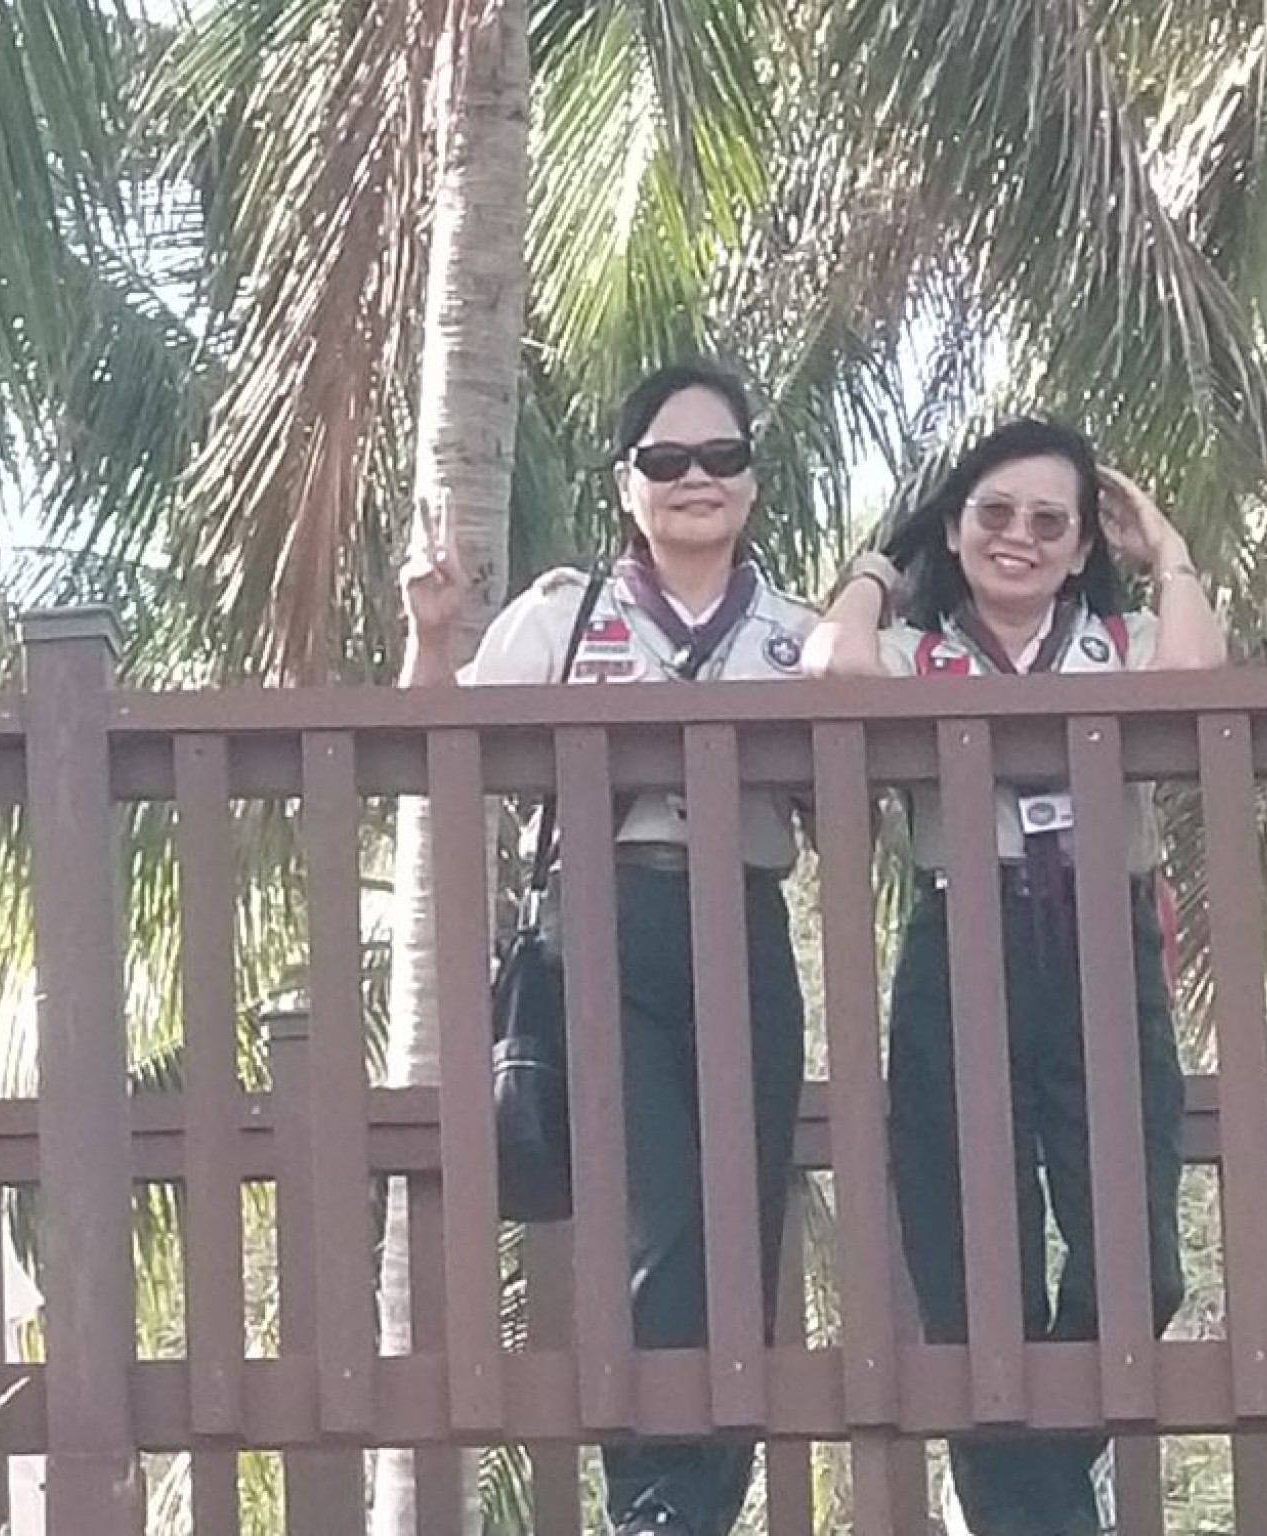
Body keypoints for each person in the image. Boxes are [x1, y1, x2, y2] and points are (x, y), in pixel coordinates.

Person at [399, 362, 813, 1536]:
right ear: (626, 483)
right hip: (602, 923)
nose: (696, 480)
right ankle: (649, 1498)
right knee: (658, 1213)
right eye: (665, 460)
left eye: (721, 457)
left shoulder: (794, 634)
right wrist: (431, 634)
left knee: (745, 1218)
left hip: (746, 922)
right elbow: (440, 746)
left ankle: (703, 1501)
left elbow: (855, 803)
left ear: (752, 480)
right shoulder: (562, 616)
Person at [803, 419, 1227, 1536]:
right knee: (970, 1272)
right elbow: (832, 664)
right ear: (956, 528)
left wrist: (1167, 552)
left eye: (1050, 522)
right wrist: (883, 566)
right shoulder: (916, 652)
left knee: (1138, 1261)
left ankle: (1025, 1496)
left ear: (1082, 547)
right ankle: (1038, 1513)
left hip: (1102, 940)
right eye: (993, 513)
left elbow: (1196, 678)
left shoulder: (1118, 641)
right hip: (962, 938)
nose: (1019, 538)